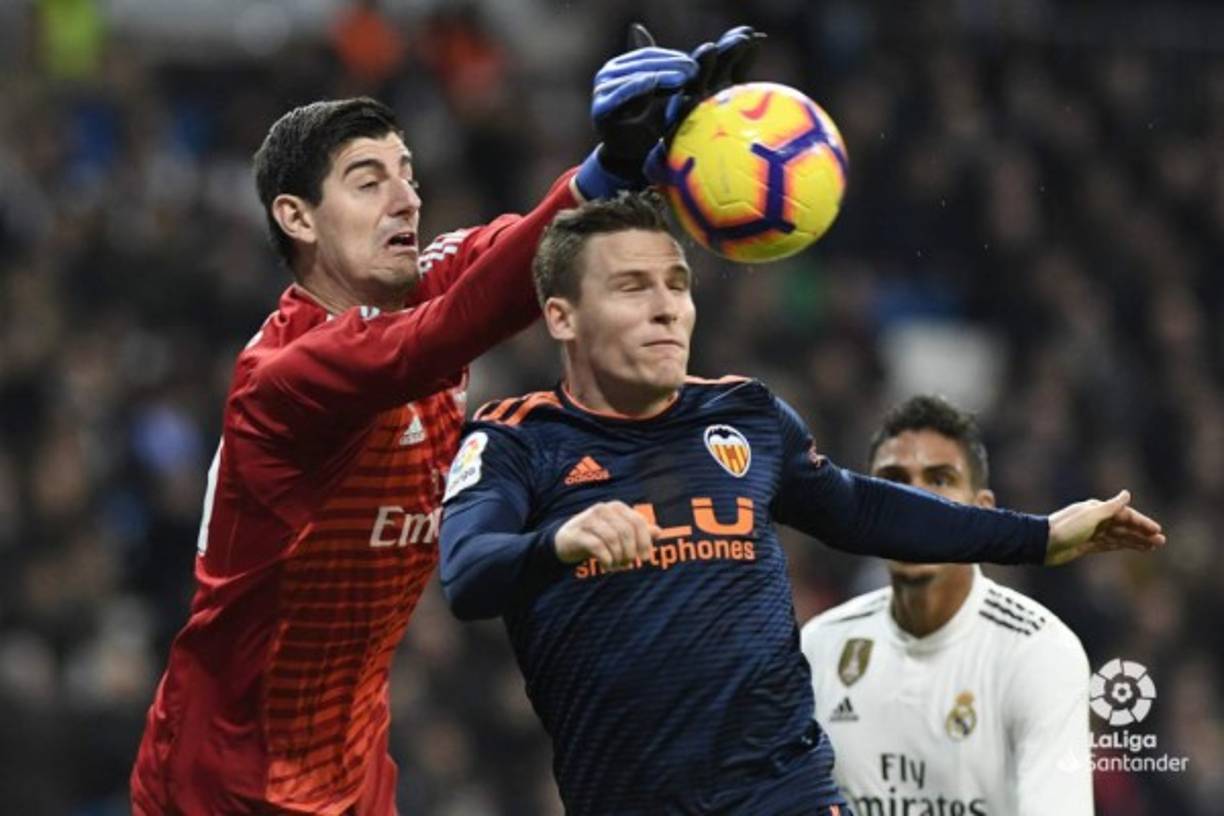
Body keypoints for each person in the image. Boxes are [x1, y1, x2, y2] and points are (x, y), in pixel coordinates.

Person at [127, 25, 752, 813]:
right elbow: (458, 324)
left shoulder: (419, 282)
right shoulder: (290, 375)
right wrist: (607, 168)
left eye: (408, 174)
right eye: (368, 182)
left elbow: (522, 251)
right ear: (297, 217)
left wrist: (652, 165)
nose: (407, 199)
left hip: (353, 767)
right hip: (227, 778)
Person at [437, 191, 1164, 815]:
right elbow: (468, 574)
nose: (667, 310)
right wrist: (557, 543)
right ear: (562, 318)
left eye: (677, 283)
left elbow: (860, 510)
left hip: (786, 791)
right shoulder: (518, 441)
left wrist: (1038, 535)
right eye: (632, 287)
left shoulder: (746, 415)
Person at [800, 395, 1092, 816]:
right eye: (894, 482)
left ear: (983, 513)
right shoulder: (820, 647)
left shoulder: (1039, 652)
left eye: (939, 480)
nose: (915, 507)